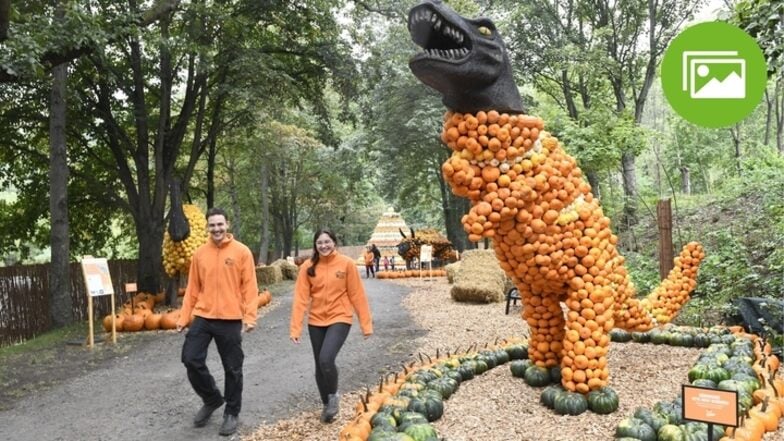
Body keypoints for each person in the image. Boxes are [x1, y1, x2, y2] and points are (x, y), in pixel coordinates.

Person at [176, 207, 258, 437]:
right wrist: (184, 317)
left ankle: (231, 412)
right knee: (190, 358)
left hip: (231, 318)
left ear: (227, 225)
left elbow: (250, 288)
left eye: (220, 224)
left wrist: (250, 317)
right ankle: (212, 398)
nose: (217, 229)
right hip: (203, 316)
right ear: (207, 227)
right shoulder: (200, 254)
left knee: (233, 368)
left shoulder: (242, 252)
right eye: (212, 225)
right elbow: (192, 288)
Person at [290, 229, 373, 423]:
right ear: (315, 245)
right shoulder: (307, 267)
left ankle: (334, 396)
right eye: (320, 243)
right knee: (319, 366)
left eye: (327, 242)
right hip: (316, 321)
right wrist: (295, 328)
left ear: (334, 242)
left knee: (326, 359)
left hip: (340, 317)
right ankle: (327, 405)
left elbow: (357, 295)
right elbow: (300, 300)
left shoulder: (346, 264)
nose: (324, 246)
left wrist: (366, 325)